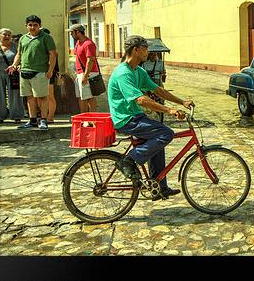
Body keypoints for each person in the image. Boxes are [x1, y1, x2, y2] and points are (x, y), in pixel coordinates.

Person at [108, 35, 195, 200]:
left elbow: (157, 90)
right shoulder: (123, 73)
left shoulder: (137, 71)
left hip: (135, 116)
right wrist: (169, 110)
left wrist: (181, 101)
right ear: (136, 50)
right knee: (166, 134)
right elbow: (140, 99)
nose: (148, 51)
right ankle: (129, 160)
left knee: (157, 142)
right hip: (125, 119)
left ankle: (158, 187)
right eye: (145, 48)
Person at [8, 15, 57, 130]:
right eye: (30, 25)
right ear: (26, 26)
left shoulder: (46, 38)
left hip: (40, 72)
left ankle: (43, 120)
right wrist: (14, 65)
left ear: (40, 26)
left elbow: (53, 54)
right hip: (24, 71)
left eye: (35, 25)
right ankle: (33, 120)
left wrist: (50, 70)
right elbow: (19, 54)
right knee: (29, 98)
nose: (32, 27)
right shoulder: (23, 38)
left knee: (42, 97)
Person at [67, 23, 101, 113]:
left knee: (89, 97)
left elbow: (90, 60)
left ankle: (92, 118)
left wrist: (85, 76)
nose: (71, 35)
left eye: (72, 33)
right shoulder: (78, 43)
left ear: (77, 32)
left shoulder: (88, 44)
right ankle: (84, 117)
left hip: (89, 73)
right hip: (80, 73)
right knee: (81, 97)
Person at [0, 28, 25, 124]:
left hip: (13, 73)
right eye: (5, 34)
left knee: (15, 94)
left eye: (9, 35)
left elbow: (21, 56)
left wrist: (19, 65)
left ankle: (17, 116)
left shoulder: (15, 46)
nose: (7, 37)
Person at [41, 29, 60, 123]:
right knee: (41, 96)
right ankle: (45, 116)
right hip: (41, 73)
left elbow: (55, 64)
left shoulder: (51, 50)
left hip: (49, 74)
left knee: (50, 96)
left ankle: (50, 116)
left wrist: (50, 71)